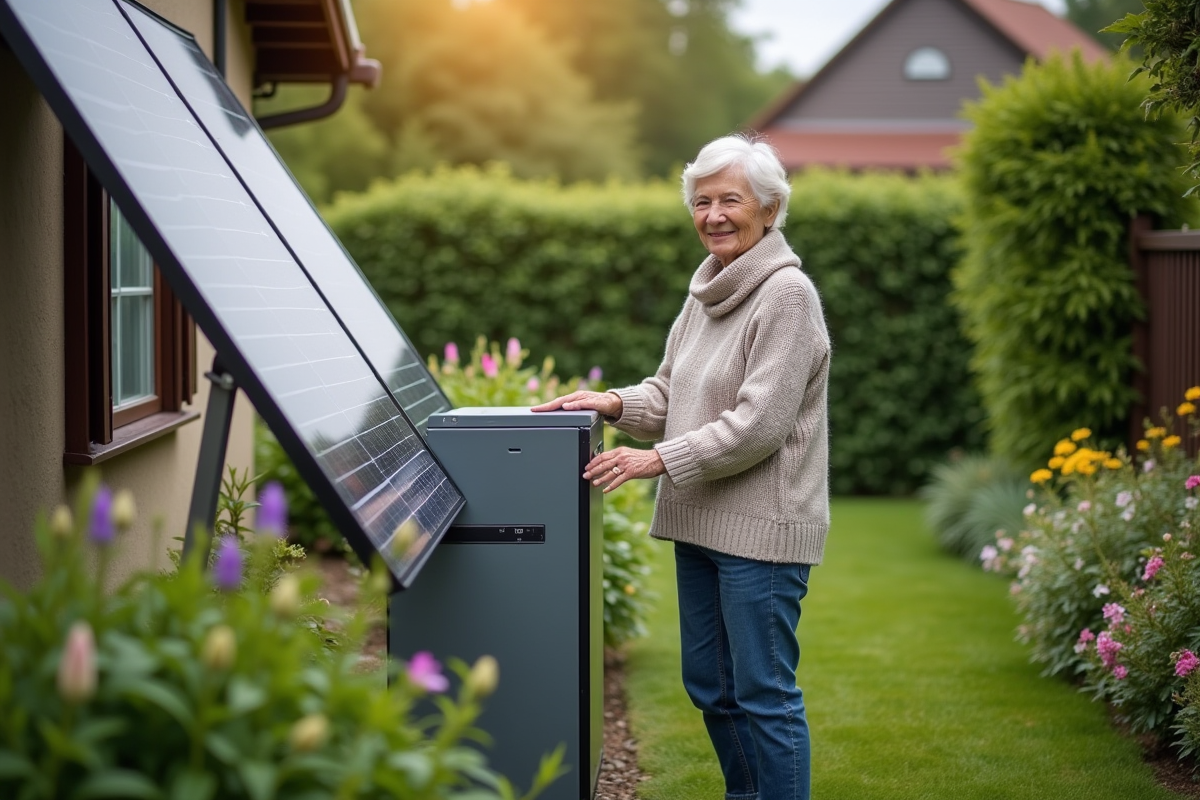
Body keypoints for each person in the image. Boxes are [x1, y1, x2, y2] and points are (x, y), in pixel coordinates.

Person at [533, 133, 830, 800]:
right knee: (712, 687)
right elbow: (671, 392)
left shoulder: (787, 295)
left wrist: (656, 460)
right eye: (702, 201)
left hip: (762, 531)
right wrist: (612, 402)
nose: (714, 214)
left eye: (731, 199)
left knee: (763, 693)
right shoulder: (705, 293)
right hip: (700, 523)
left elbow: (760, 424)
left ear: (769, 209)